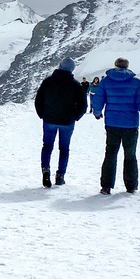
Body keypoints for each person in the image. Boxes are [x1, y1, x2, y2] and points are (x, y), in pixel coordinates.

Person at [90, 57, 140, 194]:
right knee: (130, 155)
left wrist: (97, 112)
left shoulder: (106, 81)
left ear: (115, 65)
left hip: (112, 123)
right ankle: (131, 186)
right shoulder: (136, 82)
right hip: (130, 124)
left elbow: (98, 99)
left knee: (110, 154)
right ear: (127, 66)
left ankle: (106, 186)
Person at [35, 57, 88, 187]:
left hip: (49, 119)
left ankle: (45, 170)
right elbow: (83, 105)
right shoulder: (75, 84)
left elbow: (38, 100)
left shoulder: (48, 81)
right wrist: (75, 117)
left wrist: (42, 114)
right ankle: (60, 175)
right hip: (67, 122)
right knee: (64, 149)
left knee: (47, 146)